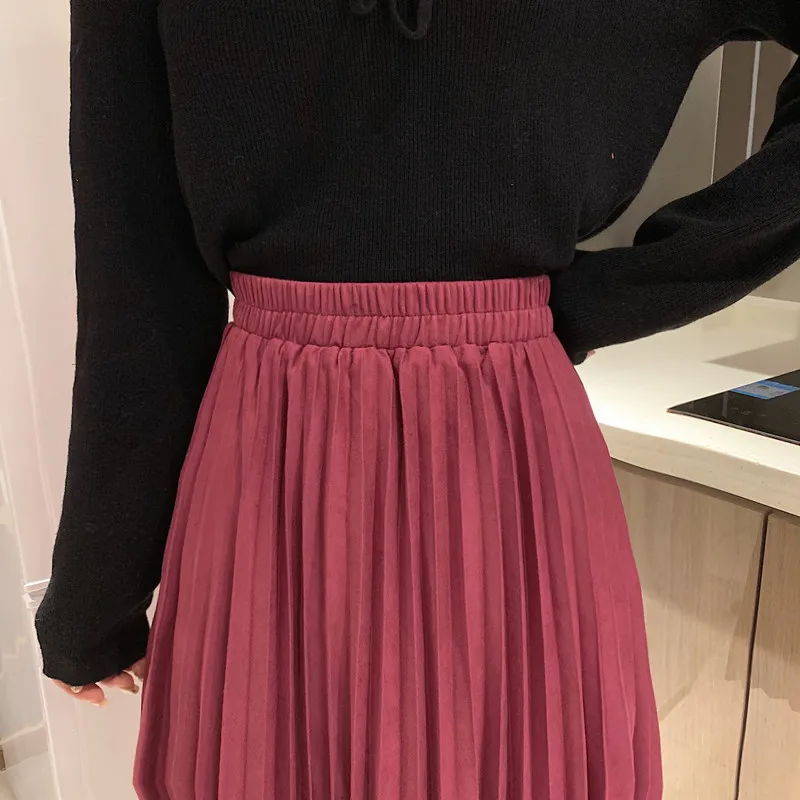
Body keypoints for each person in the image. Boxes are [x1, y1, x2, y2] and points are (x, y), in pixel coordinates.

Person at [35, 0, 799, 797]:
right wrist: (622, 295)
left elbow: (140, 275)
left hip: (283, 441)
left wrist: (96, 597)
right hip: (498, 438)